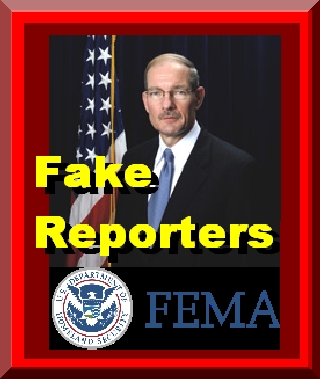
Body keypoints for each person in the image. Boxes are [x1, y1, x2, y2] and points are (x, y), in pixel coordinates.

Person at [113, 53, 272, 267]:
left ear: (198, 97)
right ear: (145, 101)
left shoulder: (237, 169)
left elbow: (254, 262)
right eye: (156, 93)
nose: (167, 104)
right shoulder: (133, 161)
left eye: (179, 92)